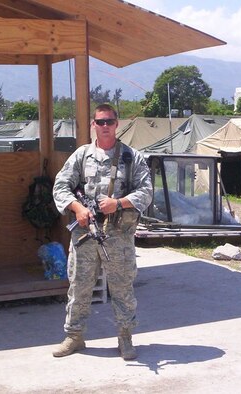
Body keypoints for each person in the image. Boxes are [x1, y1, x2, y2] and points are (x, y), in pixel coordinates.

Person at [52, 104, 153, 360]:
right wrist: (77, 208)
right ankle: (74, 337)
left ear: (117, 124)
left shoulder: (132, 157)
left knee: (122, 288)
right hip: (85, 234)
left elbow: (146, 192)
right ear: (93, 125)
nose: (105, 126)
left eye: (109, 121)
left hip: (118, 235)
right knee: (79, 287)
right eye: (100, 121)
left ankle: (125, 338)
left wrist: (117, 203)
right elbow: (61, 186)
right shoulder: (82, 155)